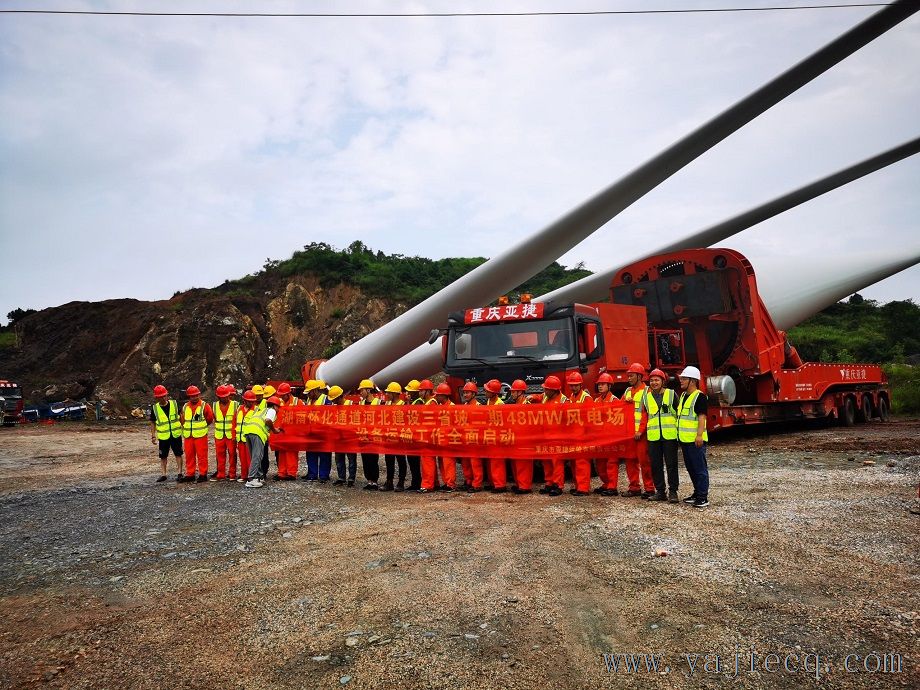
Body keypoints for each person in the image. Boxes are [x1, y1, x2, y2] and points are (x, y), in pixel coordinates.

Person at [620, 363, 656, 498]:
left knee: (645, 462)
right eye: (628, 376)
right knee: (630, 461)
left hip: (641, 434)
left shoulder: (647, 391)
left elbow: (647, 413)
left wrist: (640, 431)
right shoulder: (627, 391)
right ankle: (634, 487)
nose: (628, 378)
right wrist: (624, 402)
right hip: (629, 434)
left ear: (639, 376)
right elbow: (618, 409)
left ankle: (649, 488)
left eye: (631, 376)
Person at [644, 369, 680, 503]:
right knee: (656, 465)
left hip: (669, 435)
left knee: (671, 464)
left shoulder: (671, 394)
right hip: (653, 436)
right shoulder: (646, 397)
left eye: (657, 380)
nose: (654, 383)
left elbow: (679, 412)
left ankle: (673, 492)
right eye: (652, 380)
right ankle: (660, 491)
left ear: (663, 381)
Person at [677, 366, 710, 508]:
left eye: (684, 378)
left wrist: (699, 435)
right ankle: (697, 493)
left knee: (700, 469)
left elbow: (702, 418)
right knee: (691, 468)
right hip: (685, 439)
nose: (681, 381)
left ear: (692, 381)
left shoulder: (700, 397)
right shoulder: (684, 396)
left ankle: (703, 497)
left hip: (695, 440)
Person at [538, 376, 568, 497]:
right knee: (546, 461)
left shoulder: (564, 401)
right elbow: (538, 397)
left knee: (557, 462)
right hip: (546, 436)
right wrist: (532, 397)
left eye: (546, 389)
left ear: (554, 390)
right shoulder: (545, 396)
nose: (544, 391)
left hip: (558, 437)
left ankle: (558, 485)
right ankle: (549, 482)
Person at [243, 396, 282, 488]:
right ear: (275, 406)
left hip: (248, 431)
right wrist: (274, 430)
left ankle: (259, 477)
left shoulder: (261, 410)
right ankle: (251, 479)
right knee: (257, 456)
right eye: (278, 407)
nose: (278, 409)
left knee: (255, 456)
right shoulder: (271, 411)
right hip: (257, 433)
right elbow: (268, 420)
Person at [592, 373, 620, 496]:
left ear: (609, 386)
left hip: (611, 437)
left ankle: (612, 487)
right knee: (600, 463)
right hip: (600, 437)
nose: (600, 386)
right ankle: (606, 483)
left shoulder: (615, 400)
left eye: (603, 384)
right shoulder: (596, 401)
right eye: (599, 384)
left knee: (611, 462)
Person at [565, 372, 593, 496]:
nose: (573, 387)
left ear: (580, 385)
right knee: (574, 463)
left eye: (575, 385)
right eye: (571, 385)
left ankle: (583, 488)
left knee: (582, 462)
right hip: (573, 435)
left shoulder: (586, 398)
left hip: (583, 435)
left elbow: (591, 418)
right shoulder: (571, 397)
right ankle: (577, 486)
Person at [149, 385, 183, 483]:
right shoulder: (155, 408)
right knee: (163, 456)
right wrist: (153, 435)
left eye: (165, 395)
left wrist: (183, 427)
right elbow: (152, 422)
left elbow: (181, 416)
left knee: (178, 454)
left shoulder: (174, 404)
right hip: (164, 436)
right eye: (161, 396)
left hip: (175, 434)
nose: (163, 398)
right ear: (157, 397)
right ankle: (163, 475)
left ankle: (180, 473)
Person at [180, 385, 214, 483]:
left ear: (198, 395)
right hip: (188, 435)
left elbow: (210, 418)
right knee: (189, 455)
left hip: (200, 435)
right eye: (191, 396)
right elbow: (183, 419)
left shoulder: (204, 405)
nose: (194, 397)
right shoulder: (185, 406)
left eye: (195, 395)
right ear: (189, 396)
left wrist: (201, 427)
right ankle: (190, 474)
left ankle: (203, 474)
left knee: (202, 456)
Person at [483, 379, 509, 493]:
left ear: (494, 393)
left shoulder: (500, 404)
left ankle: (500, 485)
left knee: (497, 462)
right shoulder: (489, 401)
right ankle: (493, 482)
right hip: (490, 436)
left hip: (497, 437)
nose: (485, 392)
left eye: (488, 390)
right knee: (490, 462)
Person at [508, 379, 534, 494]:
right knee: (516, 463)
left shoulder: (527, 405)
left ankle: (525, 486)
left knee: (523, 464)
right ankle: (519, 484)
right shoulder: (516, 404)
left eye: (514, 392)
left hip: (525, 439)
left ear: (520, 392)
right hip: (517, 438)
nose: (512, 394)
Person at [304, 380, 333, 482]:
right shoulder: (308, 401)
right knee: (311, 454)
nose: (308, 394)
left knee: (324, 455)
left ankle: (324, 476)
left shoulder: (326, 400)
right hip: (310, 432)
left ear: (315, 391)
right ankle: (312, 474)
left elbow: (330, 415)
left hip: (323, 433)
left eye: (309, 392)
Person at [328, 385, 357, 487]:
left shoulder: (350, 405)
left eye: (335, 399)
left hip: (349, 437)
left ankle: (351, 478)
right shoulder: (333, 407)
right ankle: (341, 477)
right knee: (339, 458)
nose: (333, 401)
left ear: (340, 396)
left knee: (351, 459)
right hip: (338, 437)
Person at [382, 382, 408, 491]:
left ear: (395, 393)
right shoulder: (387, 404)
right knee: (389, 460)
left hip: (399, 438)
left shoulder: (403, 405)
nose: (387, 394)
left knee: (401, 460)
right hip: (389, 437)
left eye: (389, 392)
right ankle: (389, 482)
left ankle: (401, 482)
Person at [459, 381, 484, 492]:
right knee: (465, 463)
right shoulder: (464, 406)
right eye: (464, 393)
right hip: (465, 439)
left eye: (467, 393)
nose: (465, 395)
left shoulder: (479, 407)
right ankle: (468, 481)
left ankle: (477, 484)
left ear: (473, 394)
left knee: (475, 463)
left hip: (474, 440)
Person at [417, 380, 442, 493]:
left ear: (427, 391)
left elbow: (430, 421)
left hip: (429, 436)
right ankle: (434, 483)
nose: (420, 393)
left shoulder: (431, 403)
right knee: (429, 461)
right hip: (428, 435)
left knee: (427, 461)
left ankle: (427, 485)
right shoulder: (429, 402)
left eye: (421, 391)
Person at [356, 379, 382, 490]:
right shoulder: (361, 403)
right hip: (363, 435)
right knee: (365, 458)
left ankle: (375, 480)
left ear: (368, 390)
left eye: (362, 390)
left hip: (374, 434)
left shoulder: (378, 402)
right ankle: (369, 481)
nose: (360, 392)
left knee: (373, 458)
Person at [274, 382, 302, 481]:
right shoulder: (279, 402)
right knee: (282, 453)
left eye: (282, 395)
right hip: (281, 432)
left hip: (293, 433)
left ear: (288, 393)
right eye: (280, 395)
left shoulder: (297, 402)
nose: (281, 396)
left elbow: (302, 417)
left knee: (291, 453)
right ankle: (282, 473)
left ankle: (291, 473)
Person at [433, 383, 457, 492]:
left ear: (444, 395)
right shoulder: (440, 406)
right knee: (442, 462)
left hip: (449, 440)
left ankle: (450, 484)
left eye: (438, 395)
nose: (436, 397)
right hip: (441, 439)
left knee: (449, 463)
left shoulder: (452, 407)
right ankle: (446, 482)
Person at [212, 385, 238, 481]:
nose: (226, 398)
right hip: (219, 435)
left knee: (232, 454)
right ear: (218, 397)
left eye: (227, 396)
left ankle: (232, 474)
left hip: (231, 435)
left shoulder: (235, 405)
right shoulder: (214, 405)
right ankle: (221, 474)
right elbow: (213, 418)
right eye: (223, 397)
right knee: (220, 455)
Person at [404, 380, 423, 491]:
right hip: (411, 436)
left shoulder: (418, 402)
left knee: (415, 462)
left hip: (415, 437)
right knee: (411, 461)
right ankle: (415, 482)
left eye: (409, 392)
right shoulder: (413, 402)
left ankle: (417, 482)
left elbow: (410, 416)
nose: (407, 394)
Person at [235, 390, 257, 482]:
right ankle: (244, 476)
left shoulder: (256, 410)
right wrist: (234, 435)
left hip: (250, 439)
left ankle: (251, 476)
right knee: (243, 459)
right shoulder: (239, 409)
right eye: (249, 401)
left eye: (252, 401)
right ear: (244, 400)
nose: (251, 403)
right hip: (240, 439)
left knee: (250, 459)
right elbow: (234, 423)